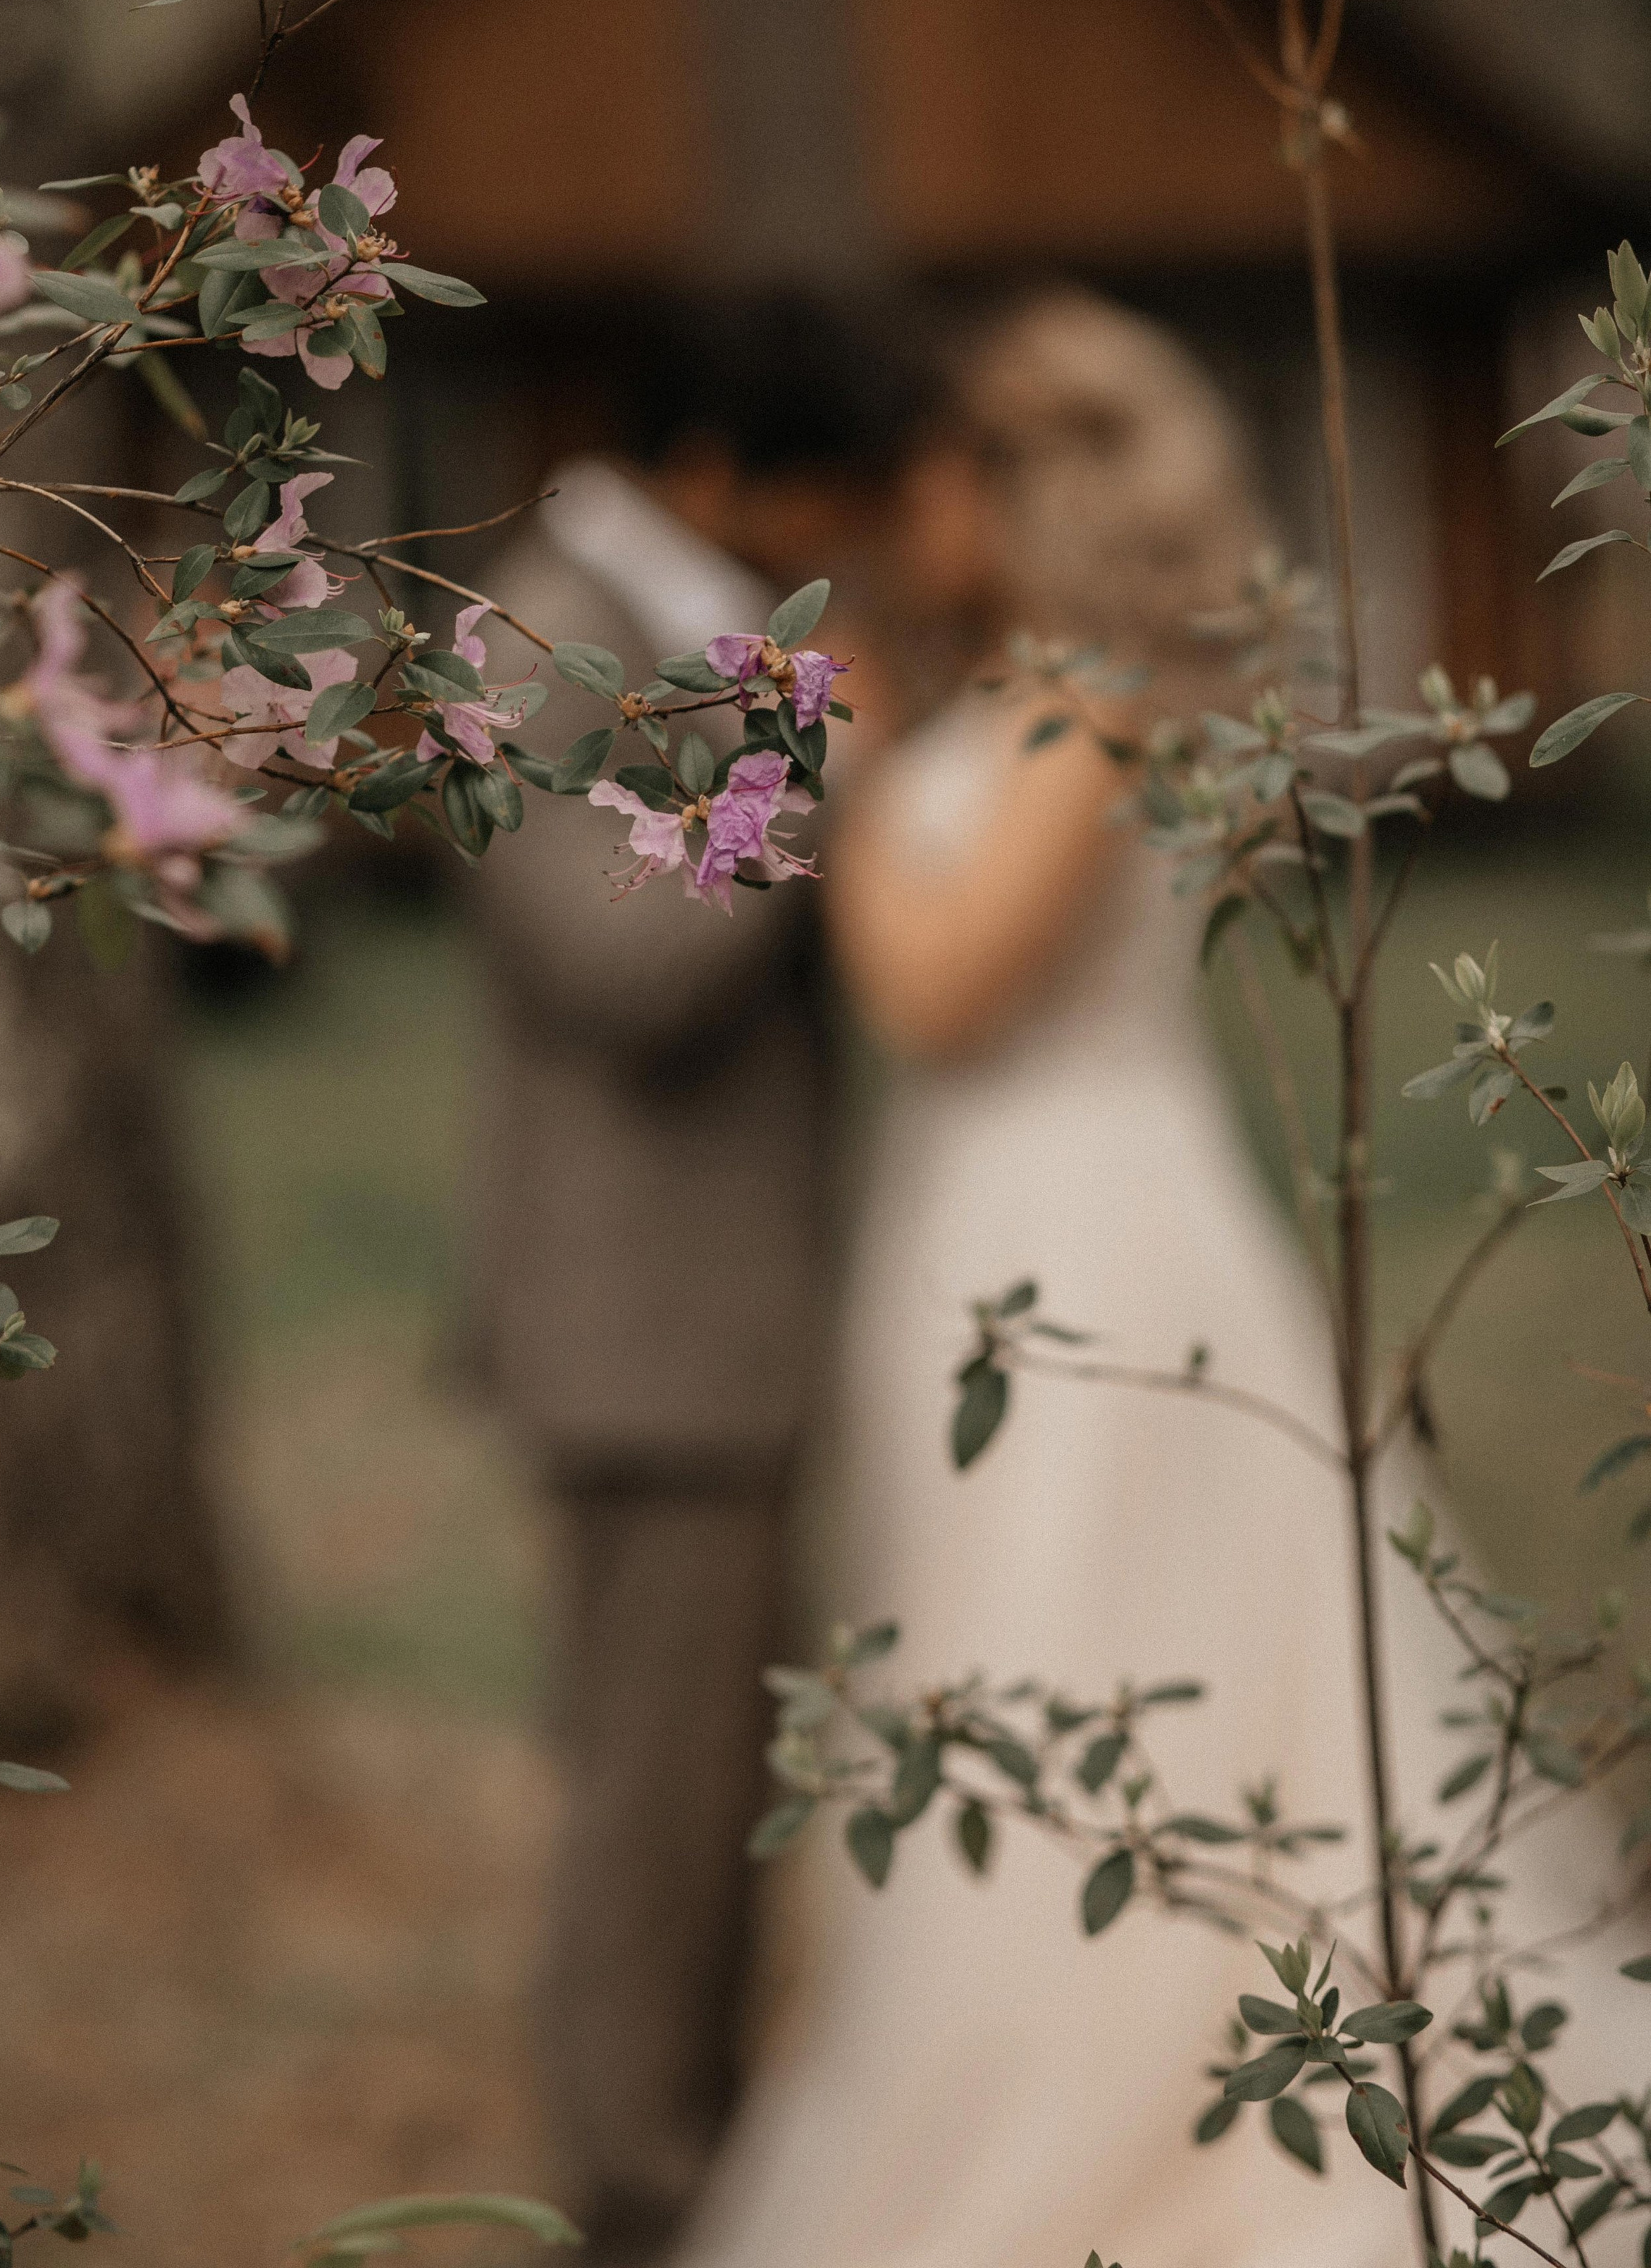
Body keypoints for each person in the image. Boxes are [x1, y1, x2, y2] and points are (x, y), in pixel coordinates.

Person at [676, 290, 1647, 2268]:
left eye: (941, 464)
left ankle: (1102, 2117)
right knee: (998, 1650)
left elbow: (939, 992)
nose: (905, 501)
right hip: (1001, 1230)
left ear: (1018, 487)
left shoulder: (1095, 707)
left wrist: (829, 750)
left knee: (1081, 1649)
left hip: (1086, 1250)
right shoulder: (1035, 693)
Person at [457, 287, 940, 2268]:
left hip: (728, 1316)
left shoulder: (708, 630)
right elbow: (614, 970)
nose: (846, 562)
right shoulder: (534, 627)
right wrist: (817, 760)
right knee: (652, 1825)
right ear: (723, 472)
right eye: (821, 504)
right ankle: (636, 2206)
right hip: (642, 1326)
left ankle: (709, 2169)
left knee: (716, 1799)